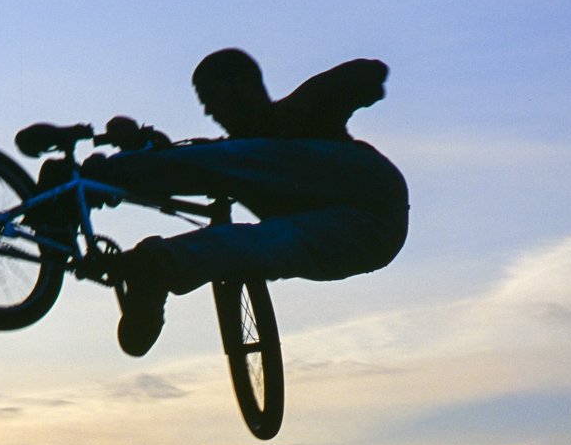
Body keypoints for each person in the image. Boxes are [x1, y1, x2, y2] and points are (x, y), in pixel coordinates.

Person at [33, 49, 410, 356]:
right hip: (355, 239)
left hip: (371, 190)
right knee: (262, 245)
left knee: (240, 160)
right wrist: (143, 146)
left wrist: (348, 86)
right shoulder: (239, 150)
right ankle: (158, 265)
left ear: (240, 86)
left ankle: (91, 185)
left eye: (211, 98)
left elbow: (362, 75)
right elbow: (192, 161)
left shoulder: (292, 116)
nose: (209, 111)